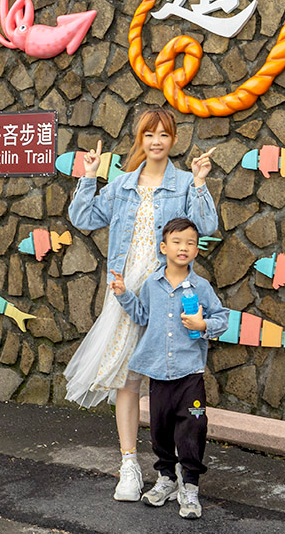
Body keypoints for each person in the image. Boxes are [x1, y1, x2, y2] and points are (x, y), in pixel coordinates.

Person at [63, 107, 217, 502]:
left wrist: (200, 183)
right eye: (149, 134)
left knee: (171, 382)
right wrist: (90, 175)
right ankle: (129, 464)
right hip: (127, 291)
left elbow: (208, 225)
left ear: (173, 140)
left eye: (164, 134)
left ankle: (175, 472)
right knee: (127, 379)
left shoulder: (184, 182)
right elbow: (82, 216)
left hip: (168, 290)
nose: (156, 141)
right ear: (140, 139)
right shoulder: (122, 185)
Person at [110, 217, 228, 520]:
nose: (183, 248)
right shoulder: (152, 283)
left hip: (190, 374)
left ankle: (190, 487)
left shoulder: (201, 287)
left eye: (190, 242)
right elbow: (141, 315)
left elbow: (222, 319)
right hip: (158, 374)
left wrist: (203, 325)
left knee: (194, 426)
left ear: (196, 250)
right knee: (160, 430)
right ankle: (167, 478)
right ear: (164, 248)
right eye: (177, 242)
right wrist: (123, 293)